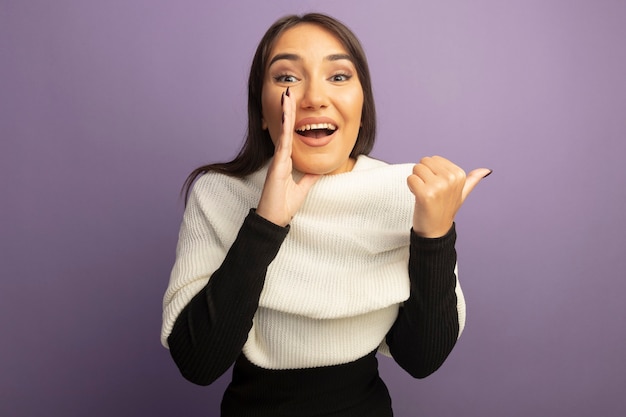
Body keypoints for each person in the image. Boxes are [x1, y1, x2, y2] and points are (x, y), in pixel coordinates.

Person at [161, 12, 490, 417]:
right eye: (287, 78)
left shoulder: (408, 194)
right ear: (262, 112)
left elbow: (421, 360)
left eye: (338, 77)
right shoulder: (218, 194)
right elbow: (198, 363)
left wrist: (435, 238)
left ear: (361, 104)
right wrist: (265, 224)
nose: (315, 96)